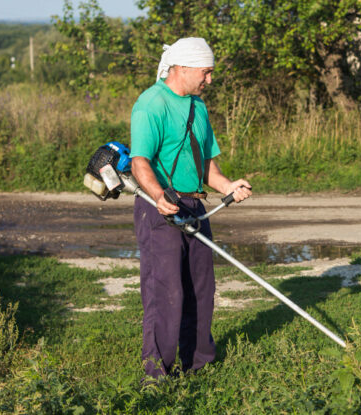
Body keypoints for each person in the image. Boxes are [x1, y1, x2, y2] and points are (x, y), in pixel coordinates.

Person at [129, 37, 252, 380]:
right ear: (182, 68)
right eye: (206, 73)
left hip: (195, 206)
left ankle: (198, 365)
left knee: (201, 288)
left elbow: (206, 165)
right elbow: (140, 163)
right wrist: (158, 196)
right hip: (159, 206)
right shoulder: (151, 104)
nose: (210, 80)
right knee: (166, 290)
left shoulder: (198, 107)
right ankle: (156, 374)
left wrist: (228, 186)